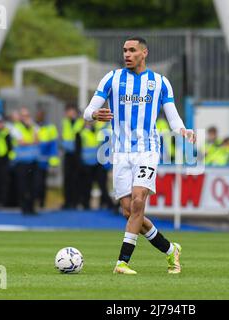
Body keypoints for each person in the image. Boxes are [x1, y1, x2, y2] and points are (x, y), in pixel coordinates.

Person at [83, 36, 195, 275]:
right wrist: (94, 115)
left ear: (144, 53)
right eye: (124, 50)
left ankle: (122, 262)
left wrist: (183, 130)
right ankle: (169, 249)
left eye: (132, 50)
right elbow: (87, 111)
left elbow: (173, 117)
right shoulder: (111, 78)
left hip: (147, 150)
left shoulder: (160, 82)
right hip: (120, 153)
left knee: (137, 201)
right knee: (129, 211)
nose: (127, 54)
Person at [61, 105, 84, 209]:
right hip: (68, 154)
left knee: (76, 178)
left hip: (78, 154)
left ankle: (76, 201)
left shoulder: (80, 122)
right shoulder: (65, 122)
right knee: (67, 178)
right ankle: (67, 201)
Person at [35, 110, 59, 209]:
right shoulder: (34, 127)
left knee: (41, 182)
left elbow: (53, 145)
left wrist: (53, 158)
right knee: (35, 182)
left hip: (44, 160)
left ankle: (41, 201)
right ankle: (35, 201)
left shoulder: (50, 128)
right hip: (34, 159)